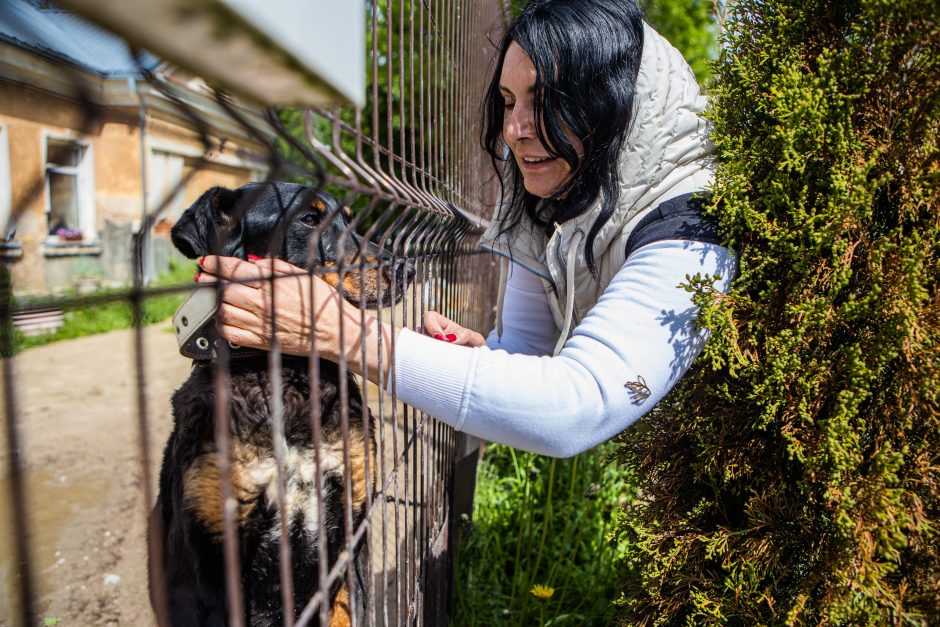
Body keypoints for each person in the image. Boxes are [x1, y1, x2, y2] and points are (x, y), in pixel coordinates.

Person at [196, 0, 735, 458]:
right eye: (507, 102)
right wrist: (481, 361)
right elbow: (526, 348)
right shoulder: (551, 195)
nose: (515, 129)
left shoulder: (690, 222)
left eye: (547, 99)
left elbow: (578, 407)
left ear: (614, 101)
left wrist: (345, 334)